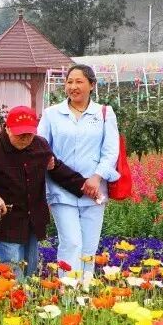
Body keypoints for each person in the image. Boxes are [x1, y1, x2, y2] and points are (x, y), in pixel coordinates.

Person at [0, 106, 88, 281]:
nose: (24, 139)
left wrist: (84, 186)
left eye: (29, 134)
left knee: (30, 273)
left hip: (33, 220)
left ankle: (28, 298)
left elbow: (56, 168)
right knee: (12, 273)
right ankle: (14, 298)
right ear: (7, 128)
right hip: (8, 220)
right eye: (19, 134)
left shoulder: (40, 145)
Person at [38, 64, 119, 289]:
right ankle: (67, 291)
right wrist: (49, 162)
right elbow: (41, 146)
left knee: (89, 247)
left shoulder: (104, 113)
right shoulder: (52, 114)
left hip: (94, 191)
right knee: (71, 242)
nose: (73, 86)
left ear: (91, 85)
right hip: (61, 189)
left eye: (79, 81)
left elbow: (111, 151)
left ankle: (85, 291)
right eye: (69, 82)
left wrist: (97, 177)